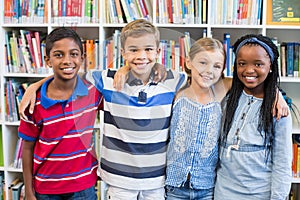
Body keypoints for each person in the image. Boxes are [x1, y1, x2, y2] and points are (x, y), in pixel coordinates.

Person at [19, 19, 187, 200]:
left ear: (158, 52)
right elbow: (68, 73)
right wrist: (34, 86)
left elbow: (200, 80)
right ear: (122, 53)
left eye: (148, 49)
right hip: (112, 180)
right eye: (133, 50)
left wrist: (155, 66)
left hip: (153, 179)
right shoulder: (106, 82)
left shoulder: (172, 80)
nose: (141, 55)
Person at [18, 27, 101, 199]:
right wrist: (28, 191)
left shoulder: (93, 92)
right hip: (46, 189)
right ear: (48, 60)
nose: (67, 60)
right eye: (58, 55)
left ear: (82, 58)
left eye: (73, 54)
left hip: (83, 187)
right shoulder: (34, 103)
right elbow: (27, 149)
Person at [214, 34, 293, 199]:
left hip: (259, 193)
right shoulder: (226, 97)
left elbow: (282, 163)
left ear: (270, 66)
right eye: (242, 64)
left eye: (258, 64)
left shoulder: (279, 110)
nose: (249, 70)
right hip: (223, 191)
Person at [165, 37, 229, 200]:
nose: (209, 70)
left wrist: (276, 96)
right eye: (202, 62)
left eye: (217, 66)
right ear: (188, 62)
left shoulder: (220, 90)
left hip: (206, 187)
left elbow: (253, 81)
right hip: (174, 186)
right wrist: (123, 70)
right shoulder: (177, 89)